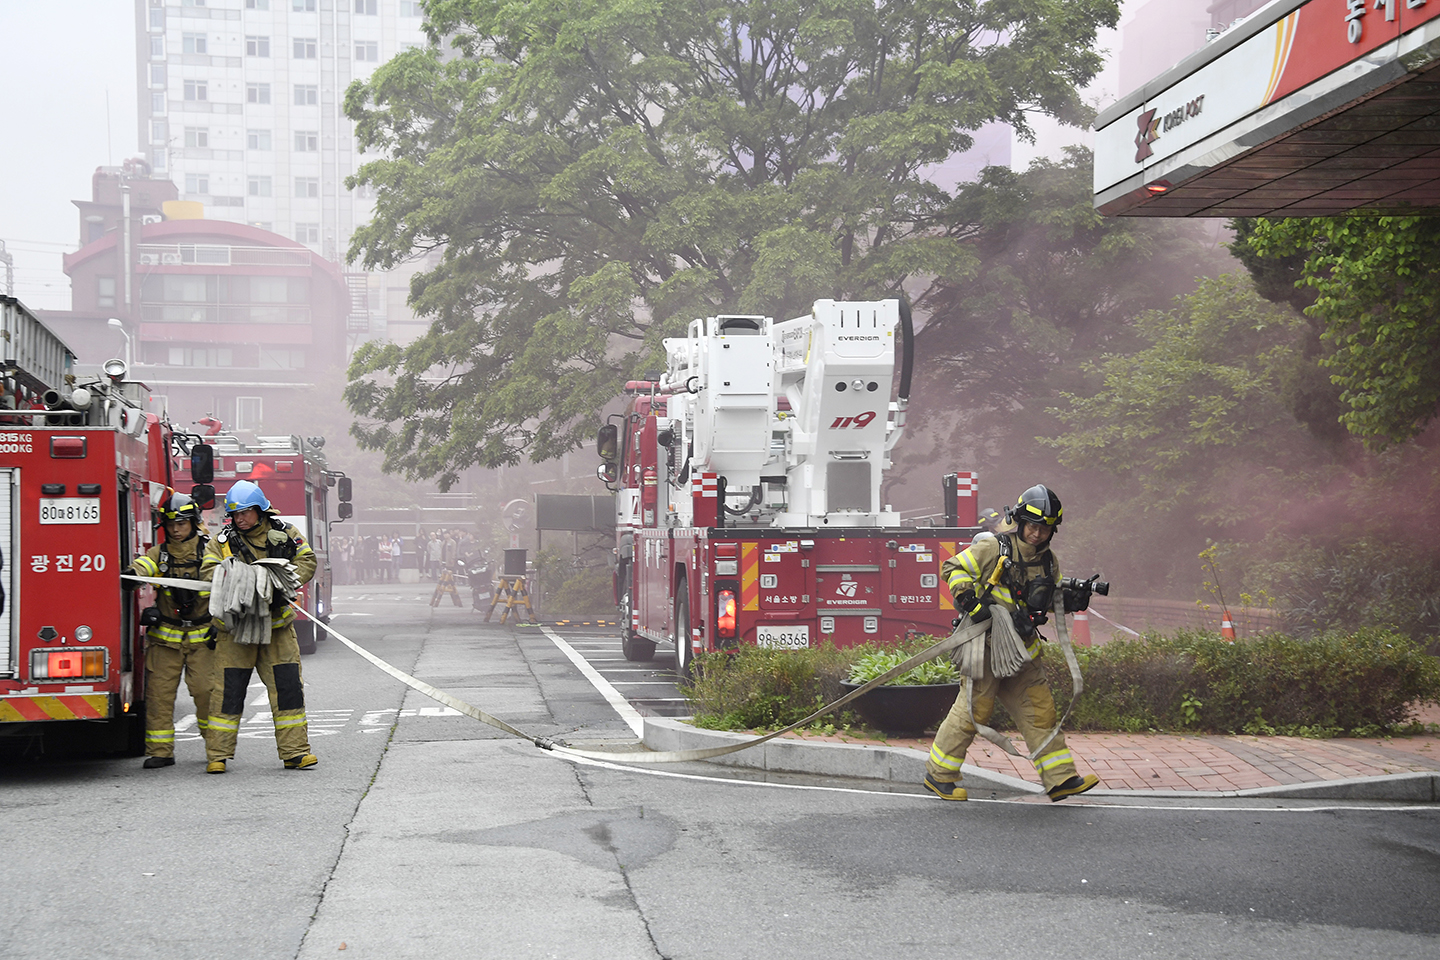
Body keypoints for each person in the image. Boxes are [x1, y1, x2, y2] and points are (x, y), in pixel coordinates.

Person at [924, 484, 1099, 802]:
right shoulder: (994, 548)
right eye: (1033, 526)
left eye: (1045, 528)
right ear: (1020, 522)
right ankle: (940, 776)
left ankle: (1059, 779)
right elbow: (954, 567)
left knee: (1041, 713)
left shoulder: (1049, 563)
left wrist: (1068, 601)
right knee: (973, 713)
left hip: (1024, 653)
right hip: (987, 648)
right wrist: (971, 602)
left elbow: (1039, 603)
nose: (1037, 534)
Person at [200, 479, 318, 774]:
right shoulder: (222, 542)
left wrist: (282, 582)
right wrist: (240, 579)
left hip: (277, 628)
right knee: (227, 693)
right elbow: (207, 573)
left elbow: (307, 560)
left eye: (245, 512)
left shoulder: (285, 534)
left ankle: (295, 753)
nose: (239, 519)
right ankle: (217, 755)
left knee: (288, 689)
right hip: (236, 631)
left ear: (261, 510)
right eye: (235, 514)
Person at [124, 492, 214, 769]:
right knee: (159, 695)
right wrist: (132, 575)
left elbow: (216, 576)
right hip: (165, 640)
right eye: (171, 524)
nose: (175, 530)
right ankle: (160, 751)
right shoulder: (159, 554)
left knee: (206, 693)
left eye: (182, 524)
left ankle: (216, 749)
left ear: (194, 523)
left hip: (203, 639)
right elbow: (143, 566)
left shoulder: (209, 552)